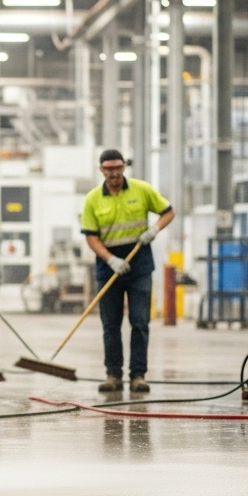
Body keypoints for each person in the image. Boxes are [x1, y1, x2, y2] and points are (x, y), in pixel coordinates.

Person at [80, 149, 175, 394]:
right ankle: (113, 375)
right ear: (101, 170)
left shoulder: (141, 190)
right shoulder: (92, 199)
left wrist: (154, 230)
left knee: (140, 322)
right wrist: (110, 259)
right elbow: (91, 237)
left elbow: (168, 212)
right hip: (108, 265)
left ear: (124, 167)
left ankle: (138, 375)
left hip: (139, 263)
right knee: (110, 324)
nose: (114, 173)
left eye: (118, 168)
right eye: (109, 169)